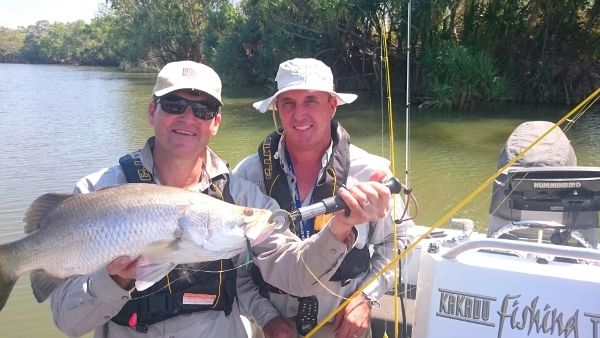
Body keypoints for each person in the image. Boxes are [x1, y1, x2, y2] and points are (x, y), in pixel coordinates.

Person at [50, 60, 293, 338]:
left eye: (203, 110)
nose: (188, 118)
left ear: (215, 123)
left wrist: (337, 234)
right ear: (152, 111)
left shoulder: (239, 195)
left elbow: (282, 263)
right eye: (174, 104)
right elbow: (67, 322)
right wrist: (115, 279)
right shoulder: (95, 191)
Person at [234, 58, 413, 338]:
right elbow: (236, 266)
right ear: (277, 110)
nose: (299, 115)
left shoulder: (370, 173)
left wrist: (366, 298)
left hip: (344, 328)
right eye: (288, 103)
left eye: (311, 101)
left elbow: (399, 244)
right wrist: (266, 318)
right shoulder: (247, 176)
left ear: (332, 106)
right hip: (271, 329)